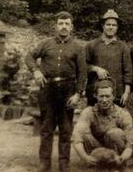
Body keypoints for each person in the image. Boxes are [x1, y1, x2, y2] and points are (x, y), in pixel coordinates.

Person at [25, 11, 87, 172]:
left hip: (68, 91)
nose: (64, 27)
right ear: (56, 26)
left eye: (67, 24)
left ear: (71, 27)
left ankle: (64, 163)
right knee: (46, 129)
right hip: (48, 89)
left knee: (66, 129)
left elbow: (82, 73)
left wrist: (78, 94)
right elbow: (29, 57)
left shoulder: (78, 48)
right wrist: (36, 71)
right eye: (61, 23)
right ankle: (44, 163)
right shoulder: (45, 44)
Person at [72, 78, 133, 172]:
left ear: (113, 96)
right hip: (96, 150)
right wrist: (85, 157)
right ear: (95, 96)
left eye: (107, 96)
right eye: (101, 96)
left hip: (116, 154)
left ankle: (117, 167)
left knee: (115, 133)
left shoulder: (123, 114)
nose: (104, 100)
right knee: (84, 133)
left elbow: (130, 144)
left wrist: (121, 158)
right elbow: (77, 139)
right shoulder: (88, 112)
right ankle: (94, 166)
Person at [85, 9, 133, 106]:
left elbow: (128, 71)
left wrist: (126, 92)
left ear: (117, 27)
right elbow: (82, 65)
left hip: (116, 93)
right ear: (103, 26)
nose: (111, 27)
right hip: (95, 93)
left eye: (114, 25)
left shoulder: (123, 47)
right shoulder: (91, 45)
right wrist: (95, 69)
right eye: (108, 24)